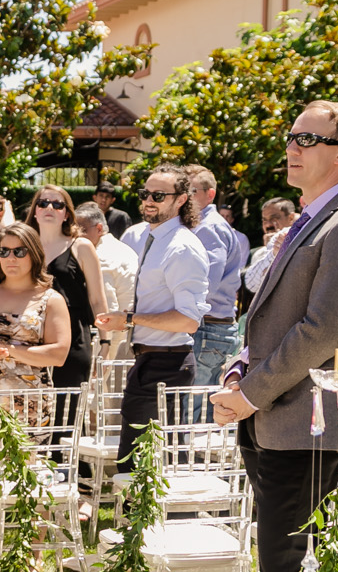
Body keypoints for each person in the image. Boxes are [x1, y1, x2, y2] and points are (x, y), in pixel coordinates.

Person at [211, 102, 338, 572]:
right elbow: (269, 315)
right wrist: (237, 373)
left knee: (286, 567)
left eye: (307, 140)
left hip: (307, 421)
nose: (292, 147)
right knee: (277, 559)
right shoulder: (312, 218)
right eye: (291, 137)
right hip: (272, 413)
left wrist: (250, 394)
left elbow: (324, 331)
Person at [97, 164, 208, 465]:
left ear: (181, 199)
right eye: (146, 193)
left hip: (167, 365)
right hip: (150, 360)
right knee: (136, 465)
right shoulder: (152, 237)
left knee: (146, 468)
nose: (149, 201)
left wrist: (130, 320)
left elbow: (188, 320)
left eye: (159, 195)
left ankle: (165, 515)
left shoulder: (181, 247)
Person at [0, 221, 71, 473]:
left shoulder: (51, 299)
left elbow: (59, 354)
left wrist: (9, 349)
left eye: (19, 251)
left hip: (28, 404)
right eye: (4, 251)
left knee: (26, 481)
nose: (10, 258)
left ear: (35, 254)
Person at [25, 188, 104, 393]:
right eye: (42, 203)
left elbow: (97, 299)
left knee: (69, 407)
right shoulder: (23, 247)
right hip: (30, 336)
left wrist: (105, 341)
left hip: (74, 335)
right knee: (31, 409)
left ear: (66, 213)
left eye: (57, 204)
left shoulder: (81, 246)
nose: (49, 208)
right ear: (35, 211)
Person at [185, 167, 247, 400]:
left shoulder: (209, 227)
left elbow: (205, 284)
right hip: (208, 327)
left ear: (210, 194)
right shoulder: (202, 224)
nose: (185, 196)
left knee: (194, 410)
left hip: (207, 327)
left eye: (191, 190)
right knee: (198, 408)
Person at [77, 204, 137, 354]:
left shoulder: (101, 256)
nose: (76, 234)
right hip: (128, 329)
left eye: (81, 230)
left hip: (112, 335)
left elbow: (107, 305)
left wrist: (105, 344)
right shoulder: (119, 248)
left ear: (98, 229)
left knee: (100, 377)